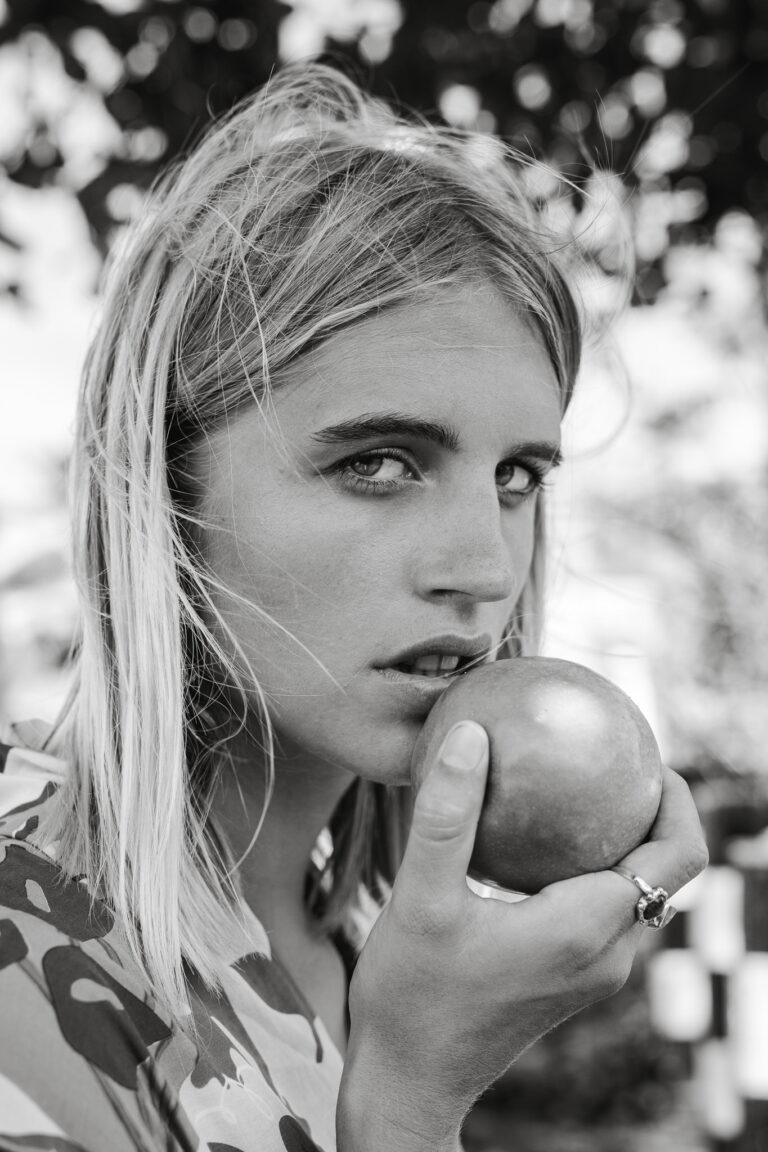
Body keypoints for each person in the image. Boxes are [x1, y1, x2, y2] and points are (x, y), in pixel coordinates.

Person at [0, 63, 707, 1152]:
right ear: (164, 492)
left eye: (517, 478)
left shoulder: (386, 950)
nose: (485, 568)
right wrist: (412, 1104)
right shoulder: (27, 957)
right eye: (378, 463)